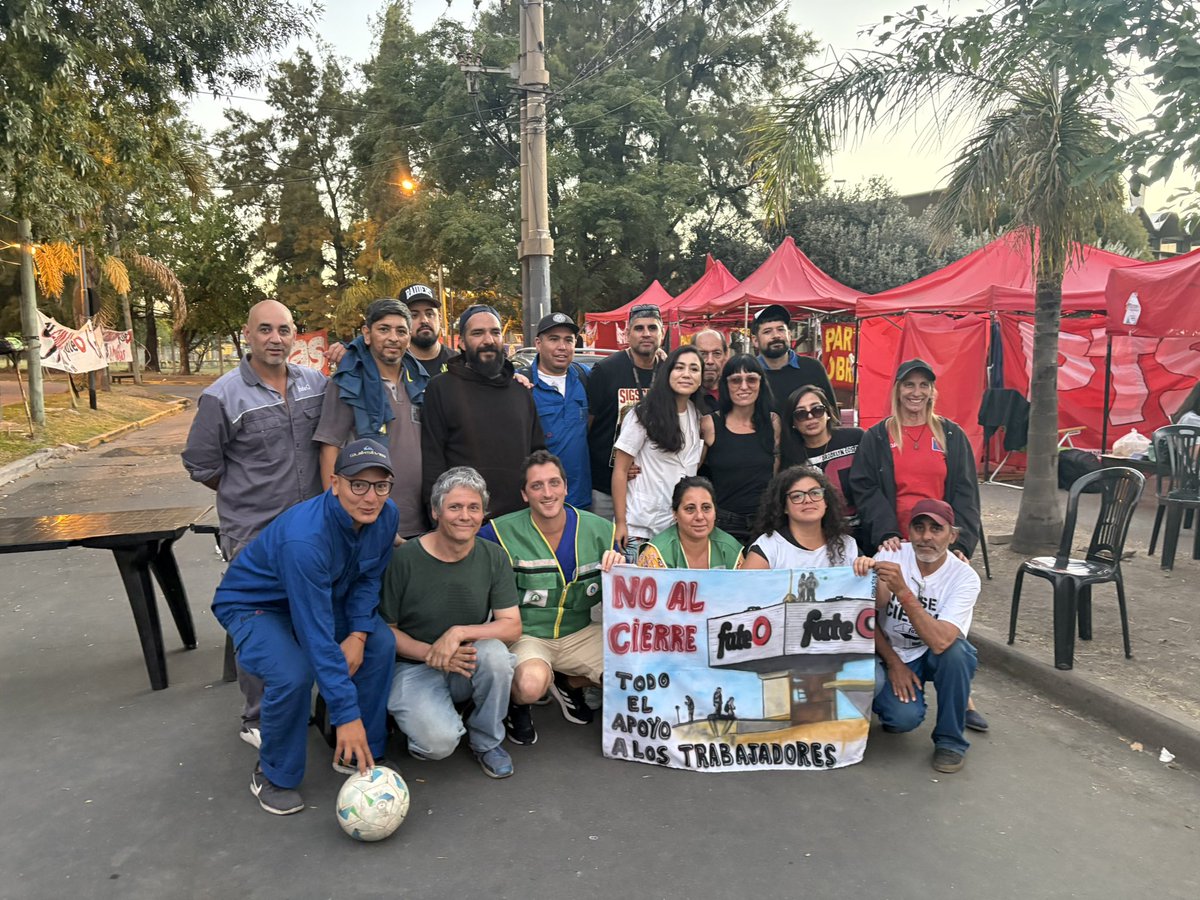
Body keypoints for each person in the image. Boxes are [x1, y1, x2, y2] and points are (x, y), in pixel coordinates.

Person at [211, 439, 399, 815]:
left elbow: (368, 578)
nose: (370, 497)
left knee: (380, 643)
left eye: (381, 485)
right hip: (256, 605)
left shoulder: (386, 515)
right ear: (335, 483)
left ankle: (358, 753)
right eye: (358, 484)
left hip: (322, 595)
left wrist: (358, 634)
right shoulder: (305, 540)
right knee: (292, 673)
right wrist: (347, 713)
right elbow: (315, 633)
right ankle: (273, 774)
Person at [182, 298, 327, 750]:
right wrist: (246, 492)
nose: (275, 339)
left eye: (283, 330)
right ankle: (258, 717)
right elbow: (202, 464)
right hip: (255, 533)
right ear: (248, 335)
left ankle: (296, 701)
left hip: (310, 530)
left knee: (306, 613)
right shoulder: (222, 396)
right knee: (262, 623)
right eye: (265, 329)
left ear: (294, 335)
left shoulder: (315, 384)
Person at [849, 358, 987, 732]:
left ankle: (962, 695)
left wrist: (961, 542)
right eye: (909, 385)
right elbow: (865, 486)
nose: (916, 392)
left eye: (923, 385)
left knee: (946, 608)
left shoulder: (950, 435)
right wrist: (885, 531)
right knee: (890, 608)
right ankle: (892, 670)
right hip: (896, 539)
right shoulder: (878, 436)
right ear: (897, 390)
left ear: (932, 391)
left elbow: (966, 492)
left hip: (939, 536)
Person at [380, 467, 522, 779]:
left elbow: (511, 625)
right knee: (438, 745)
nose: (465, 516)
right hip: (413, 666)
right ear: (435, 511)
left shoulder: (494, 556)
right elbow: (386, 630)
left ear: (483, 514)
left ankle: (486, 740)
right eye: (455, 507)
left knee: (496, 656)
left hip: (464, 659)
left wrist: (458, 633)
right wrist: (431, 652)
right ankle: (434, 719)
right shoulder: (405, 560)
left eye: (473, 507)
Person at [479, 451, 616, 745]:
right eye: (537, 486)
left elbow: (629, 593)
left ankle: (570, 683)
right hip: (528, 635)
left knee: (632, 669)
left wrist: (621, 568)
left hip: (579, 632)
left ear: (565, 487)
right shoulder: (498, 533)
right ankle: (517, 704)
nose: (547, 493)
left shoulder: (602, 531)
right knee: (531, 685)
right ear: (524, 494)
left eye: (554, 483)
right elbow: (463, 553)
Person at [870, 499, 981, 774]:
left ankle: (951, 742)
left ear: (952, 536)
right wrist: (894, 664)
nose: (926, 536)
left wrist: (903, 592)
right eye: (919, 528)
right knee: (902, 720)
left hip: (931, 652)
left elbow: (941, 642)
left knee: (958, 654)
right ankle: (889, 703)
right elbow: (867, 618)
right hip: (891, 651)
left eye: (936, 529)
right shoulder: (891, 555)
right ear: (908, 532)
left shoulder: (965, 577)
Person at [420, 305, 546, 519]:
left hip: (518, 520)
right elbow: (433, 459)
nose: (488, 340)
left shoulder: (521, 390)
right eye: (478, 333)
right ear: (461, 342)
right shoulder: (440, 388)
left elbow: (537, 454)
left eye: (495, 332)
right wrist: (436, 516)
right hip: (464, 521)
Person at [315, 298, 424, 541]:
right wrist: (338, 514)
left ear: (409, 338)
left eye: (401, 331)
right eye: (384, 329)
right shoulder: (347, 383)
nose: (393, 338)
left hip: (421, 519)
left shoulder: (419, 382)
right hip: (368, 521)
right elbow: (329, 448)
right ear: (367, 334)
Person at [611, 345, 706, 551]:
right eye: (679, 367)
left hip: (676, 529)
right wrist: (620, 522)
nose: (686, 374)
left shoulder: (696, 414)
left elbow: (691, 464)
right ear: (667, 372)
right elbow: (620, 470)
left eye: (694, 369)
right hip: (639, 527)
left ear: (700, 378)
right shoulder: (644, 414)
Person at [586, 303, 664, 518]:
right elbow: (587, 427)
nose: (646, 334)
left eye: (652, 328)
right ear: (628, 334)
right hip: (606, 488)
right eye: (639, 328)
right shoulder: (605, 370)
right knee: (605, 540)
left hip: (652, 489)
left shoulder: (670, 372)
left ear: (662, 333)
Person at [700, 354, 780, 544]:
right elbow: (687, 469)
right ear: (725, 385)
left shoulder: (773, 422)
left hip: (766, 521)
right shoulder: (709, 424)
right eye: (736, 380)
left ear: (761, 383)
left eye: (751, 379)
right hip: (724, 524)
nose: (744, 386)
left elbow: (776, 474)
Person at [518, 313, 592, 510]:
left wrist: (657, 359)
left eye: (568, 340)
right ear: (538, 343)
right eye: (553, 339)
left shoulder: (585, 376)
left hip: (580, 499)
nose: (562, 346)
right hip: (540, 501)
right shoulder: (521, 384)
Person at [780, 384, 863, 535]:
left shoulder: (856, 438)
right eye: (801, 414)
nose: (810, 417)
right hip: (822, 536)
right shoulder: (790, 457)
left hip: (865, 529)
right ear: (793, 423)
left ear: (828, 413)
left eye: (817, 410)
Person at [742, 466, 861, 570]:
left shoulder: (846, 544)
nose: (808, 500)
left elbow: (869, 586)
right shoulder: (768, 547)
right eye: (797, 496)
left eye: (815, 493)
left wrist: (866, 567)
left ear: (826, 502)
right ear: (784, 507)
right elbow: (744, 587)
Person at [633, 476, 744, 570]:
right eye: (690, 509)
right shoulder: (656, 553)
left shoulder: (730, 549)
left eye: (706, 508)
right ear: (675, 514)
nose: (699, 516)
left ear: (715, 511)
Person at [751, 304, 837, 422]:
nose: (776, 336)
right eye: (767, 331)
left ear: (789, 334)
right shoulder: (749, 374)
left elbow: (833, 416)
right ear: (755, 341)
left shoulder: (813, 368)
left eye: (781, 329)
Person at [399, 282, 457, 407]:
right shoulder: (395, 365)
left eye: (430, 314)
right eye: (414, 315)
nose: (424, 320)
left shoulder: (458, 363)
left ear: (439, 318)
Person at [691, 328, 729, 415]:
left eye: (717, 353)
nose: (710, 361)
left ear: (726, 355)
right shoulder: (684, 397)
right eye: (703, 354)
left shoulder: (736, 391)